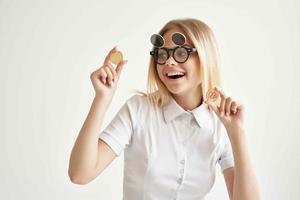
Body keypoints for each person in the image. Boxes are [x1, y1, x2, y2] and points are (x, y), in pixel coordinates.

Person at [68, 18, 261, 200]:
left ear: (205, 57)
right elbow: (80, 174)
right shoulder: (138, 110)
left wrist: (237, 134)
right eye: (162, 54)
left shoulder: (221, 124)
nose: (169, 62)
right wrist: (102, 99)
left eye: (181, 53)